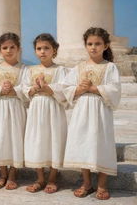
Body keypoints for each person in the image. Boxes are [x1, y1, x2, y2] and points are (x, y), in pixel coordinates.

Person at [63, 27, 121, 200]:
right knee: (83, 144)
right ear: (85, 45)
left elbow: (115, 89)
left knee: (102, 143)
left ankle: (102, 185)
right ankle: (87, 183)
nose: (93, 47)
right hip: (82, 110)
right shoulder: (78, 67)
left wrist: (93, 88)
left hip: (101, 111)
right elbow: (66, 87)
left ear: (106, 45)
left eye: (97, 44)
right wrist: (78, 89)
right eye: (90, 44)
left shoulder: (110, 67)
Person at [23, 33, 68, 193]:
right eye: (39, 48)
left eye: (46, 48)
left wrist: (49, 88)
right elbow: (23, 89)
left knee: (53, 139)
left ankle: (53, 178)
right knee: (38, 140)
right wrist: (33, 88)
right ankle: (40, 178)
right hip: (36, 110)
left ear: (54, 50)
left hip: (53, 109)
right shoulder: (30, 70)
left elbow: (65, 89)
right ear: (35, 51)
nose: (42, 51)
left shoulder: (61, 70)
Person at [0, 32, 27, 190]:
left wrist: (15, 90)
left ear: (19, 49)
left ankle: (13, 173)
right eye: (5, 47)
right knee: (0, 139)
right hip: (0, 107)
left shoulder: (23, 69)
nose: (8, 50)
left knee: (15, 138)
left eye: (12, 47)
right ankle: (2, 173)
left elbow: (26, 87)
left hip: (16, 108)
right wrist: (0, 89)